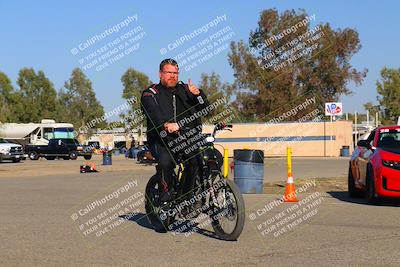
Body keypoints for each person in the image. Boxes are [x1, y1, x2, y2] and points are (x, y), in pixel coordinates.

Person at [141, 58, 210, 203]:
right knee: (166, 162)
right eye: (169, 72)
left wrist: (198, 95)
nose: (172, 76)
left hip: (185, 138)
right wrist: (165, 124)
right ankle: (165, 197)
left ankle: (187, 196)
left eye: (175, 73)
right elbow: (153, 112)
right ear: (160, 74)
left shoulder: (186, 90)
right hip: (161, 140)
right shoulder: (151, 93)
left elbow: (206, 109)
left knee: (196, 161)